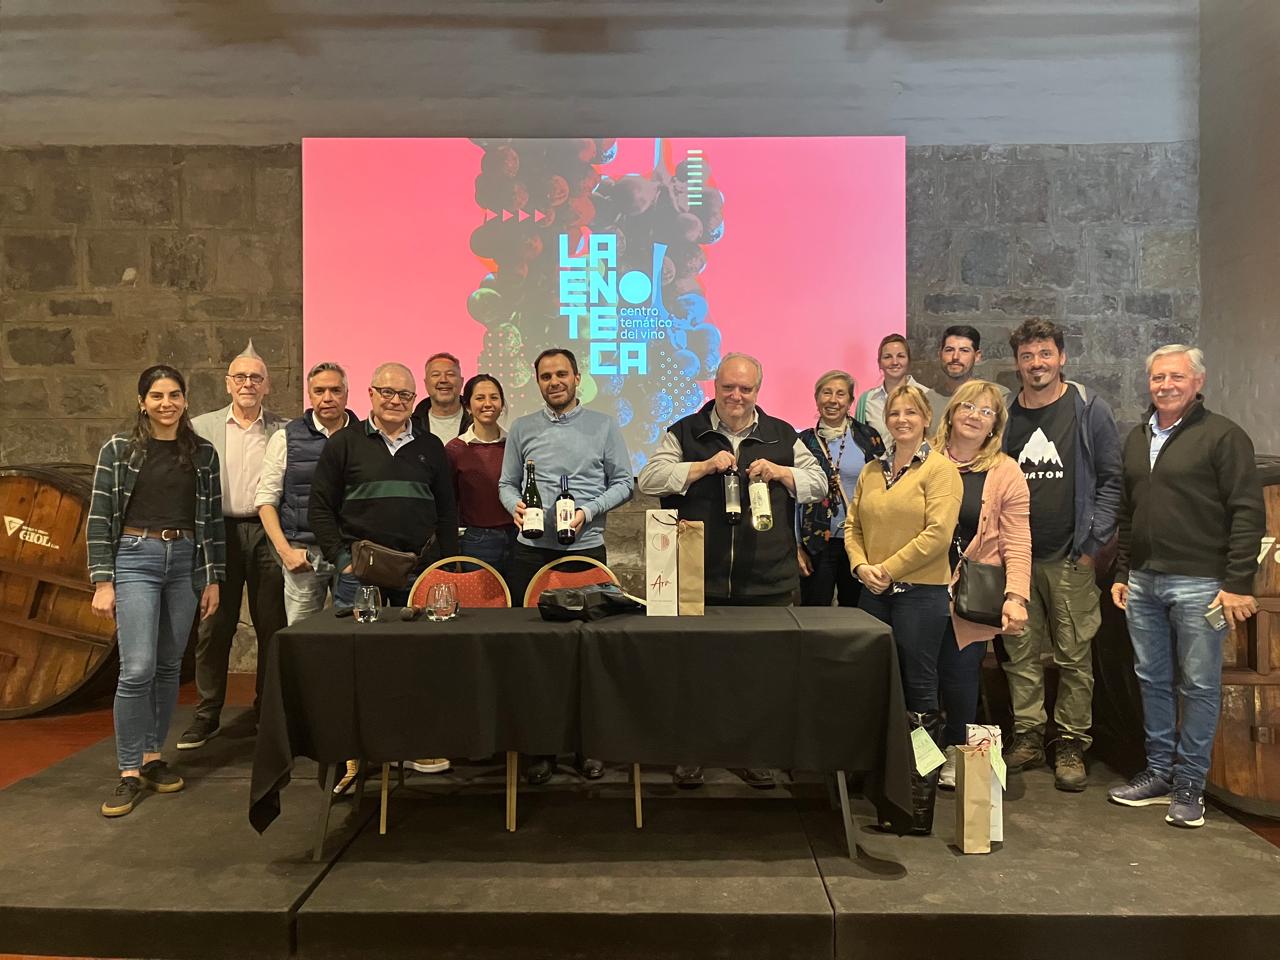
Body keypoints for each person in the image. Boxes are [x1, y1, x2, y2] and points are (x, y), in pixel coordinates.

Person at [638, 352, 828, 789]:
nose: (736, 396)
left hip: (767, 580)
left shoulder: (783, 434)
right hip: (697, 578)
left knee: (759, 675)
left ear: (758, 390)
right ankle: (691, 753)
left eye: (746, 388)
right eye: (728, 387)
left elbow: (819, 484)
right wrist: (703, 467)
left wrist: (782, 472)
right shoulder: (685, 431)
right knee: (694, 672)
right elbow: (649, 479)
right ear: (715, 386)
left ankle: (754, 754)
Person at [1109, 345, 1264, 829]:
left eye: (1176, 377)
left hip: (1201, 583)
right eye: (1158, 377)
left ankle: (1190, 785)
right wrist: (1123, 572)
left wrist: (1238, 583)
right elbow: (1129, 513)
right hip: (1144, 581)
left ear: (1198, 381)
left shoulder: (1224, 436)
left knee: (1198, 684)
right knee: (1152, 679)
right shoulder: (1138, 437)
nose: (1165, 385)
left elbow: (1247, 512)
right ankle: (1159, 773)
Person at [309, 361, 460, 778]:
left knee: (416, 666)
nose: (396, 401)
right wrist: (342, 561)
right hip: (360, 578)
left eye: (405, 395)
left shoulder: (431, 447)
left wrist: (445, 569)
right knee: (356, 668)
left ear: (415, 399)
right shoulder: (343, 444)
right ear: (371, 394)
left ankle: (412, 745)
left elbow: (447, 513)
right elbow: (320, 509)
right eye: (388, 392)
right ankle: (355, 757)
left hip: (418, 575)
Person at [88, 365, 225, 817]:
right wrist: (103, 580)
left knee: (168, 666)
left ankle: (151, 757)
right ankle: (128, 770)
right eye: (157, 396)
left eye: (175, 395)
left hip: (185, 560)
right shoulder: (119, 449)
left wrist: (212, 579)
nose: (167, 403)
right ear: (142, 402)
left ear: (185, 400)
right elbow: (100, 515)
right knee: (137, 668)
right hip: (135, 557)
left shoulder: (203, 453)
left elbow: (212, 522)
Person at [499, 348, 633, 784]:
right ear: (537, 381)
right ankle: (540, 748)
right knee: (535, 656)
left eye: (561, 374)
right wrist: (515, 506)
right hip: (530, 553)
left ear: (577, 377)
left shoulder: (603, 425)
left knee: (587, 653)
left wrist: (588, 511)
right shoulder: (522, 428)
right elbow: (506, 483)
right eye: (546, 376)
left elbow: (624, 483)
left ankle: (587, 746)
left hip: (584, 552)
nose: (554, 382)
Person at [999, 318, 1123, 791]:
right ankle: (1029, 735)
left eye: (1045, 353)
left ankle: (1071, 742)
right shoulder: (1006, 416)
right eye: (1028, 356)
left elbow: (1111, 480)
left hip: (1070, 558)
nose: (1037, 363)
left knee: (1074, 656)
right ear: (1017, 363)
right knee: (1020, 654)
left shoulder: (1088, 409)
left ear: (1062, 357)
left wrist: (1092, 548)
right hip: (1016, 562)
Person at [845, 383, 962, 833]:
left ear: (926, 419)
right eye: (895, 413)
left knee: (920, 696)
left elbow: (938, 535)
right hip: (873, 593)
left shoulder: (941, 471)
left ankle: (916, 802)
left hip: (919, 595)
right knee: (873, 688)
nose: (902, 420)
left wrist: (887, 568)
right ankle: (877, 790)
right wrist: (860, 566)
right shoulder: (873, 469)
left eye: (911, 412)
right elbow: (853, 526)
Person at [179, 343, 287, 751]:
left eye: (256, 378)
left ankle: (266, 709)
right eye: (240, 377)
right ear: (227, 384)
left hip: (265, 531)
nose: (247, 384)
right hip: (218, 531)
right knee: (214, 625)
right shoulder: (200, 428)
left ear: (267, 386)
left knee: (271, 623)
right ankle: (207, 713)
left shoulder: (283, 430)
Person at [931, 381, 1031, 789]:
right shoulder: (924, 458)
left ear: (995, 425)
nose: (975, 415)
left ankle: (957, 755)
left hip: (970, 593)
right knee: (917, 680)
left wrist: (1016, 596)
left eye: (986, 411)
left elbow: (1017, 539)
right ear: (952, 412)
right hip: (919, 588)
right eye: (968, 406)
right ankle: (919, 758)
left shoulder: (1006, 471)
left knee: (960, 678)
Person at [256, 361, 355, 625]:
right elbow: (265, 500)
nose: (327, 398)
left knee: (355, 636)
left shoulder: (366, 436)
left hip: (353, 552)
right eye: (319, 391)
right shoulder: (285, 438)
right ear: (309, 395)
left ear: (347, 393)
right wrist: (286, 552)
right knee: (301, 637)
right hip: (304, 555)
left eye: (335, 390)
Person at [796, 370, 884, 608]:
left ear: (851, 401)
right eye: (827, 393)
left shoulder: (868, 438)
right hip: (815, 541)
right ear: (817, 398)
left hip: (860, 542)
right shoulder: (803, 442)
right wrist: (796, 546)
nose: (833, 400)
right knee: (815, 612)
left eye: (840, 394)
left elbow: (883, 489)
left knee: (857, 612)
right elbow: (794, 500)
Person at [446, 374, 516, 581]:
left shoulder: (515, 445)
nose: (488, 404)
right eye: (480, 398)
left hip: (518, 537)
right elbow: (449, 502)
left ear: (502, 404)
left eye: (494, 397)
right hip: (477, 542)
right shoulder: (455, 449)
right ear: (468, 406)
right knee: (480, 600)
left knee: (519, 598)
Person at [854, 333, 942, 439]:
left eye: (900, 356)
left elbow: (935, 439)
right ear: (879, 363)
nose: (894, 362)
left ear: (909, 361)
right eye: (887, 357)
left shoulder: (927, 396)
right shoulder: (867, 400)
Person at [937, 325, 1011, 404]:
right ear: (940, 354)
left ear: (977, 356)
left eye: (964, 351)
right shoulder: (928, 399)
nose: (955, 357)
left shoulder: (997, 396)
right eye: (949, 350)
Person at [412, 352, 472, 445]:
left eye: (450, 374)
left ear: (461, 381)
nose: (443, 380)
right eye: (436, 375)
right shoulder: (411, 425)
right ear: (426, 383)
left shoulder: (476, 422)